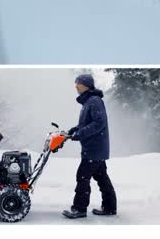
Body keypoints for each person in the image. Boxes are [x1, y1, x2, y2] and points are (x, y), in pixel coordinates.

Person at [62, 74, 117, 219]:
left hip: (94, 148)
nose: (76, 86)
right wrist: (73, 130)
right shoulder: (89, 101)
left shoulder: (94, 101)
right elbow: (87, 123)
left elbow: (99, 123)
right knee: (102, 177)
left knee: (82, 176)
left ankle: (79, 208)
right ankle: (109, 207)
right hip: (95, 148)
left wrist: (80, 134)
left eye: (78, 83)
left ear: (86, 85)